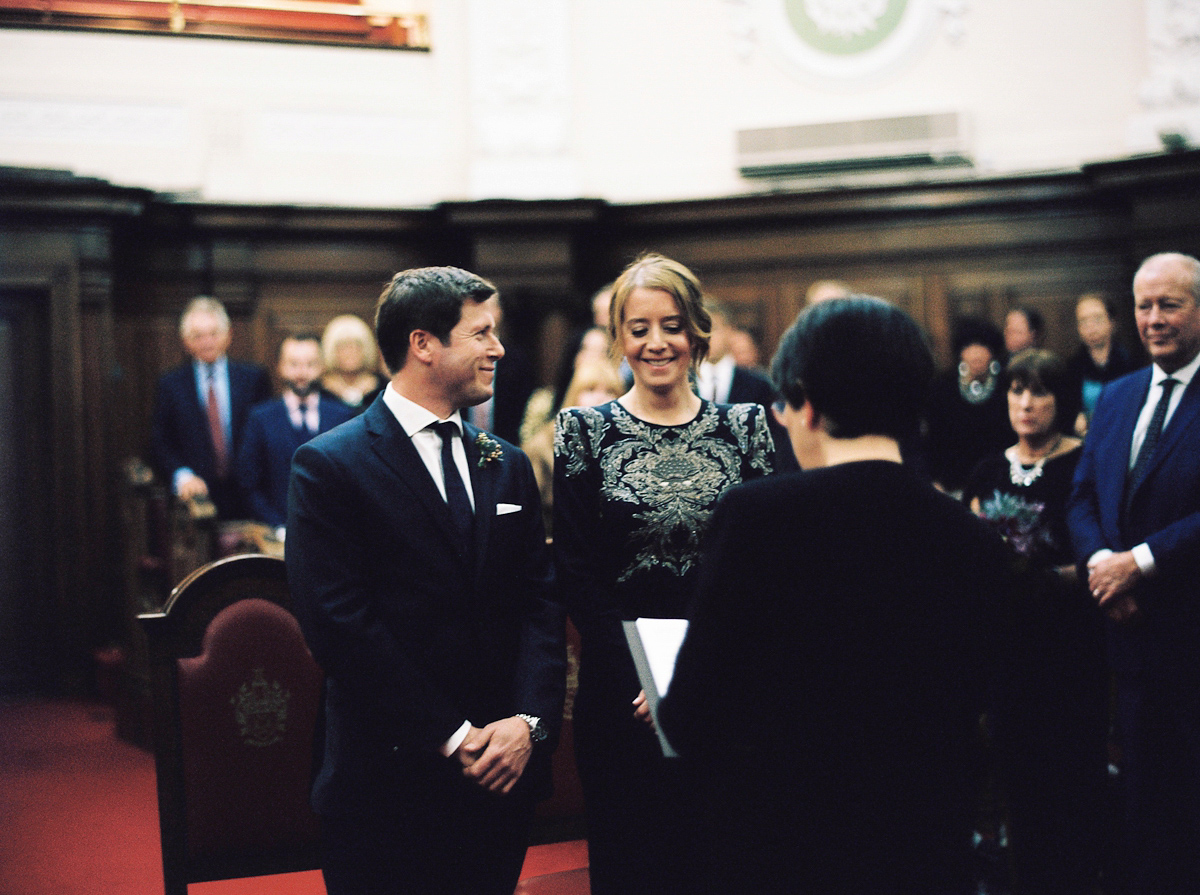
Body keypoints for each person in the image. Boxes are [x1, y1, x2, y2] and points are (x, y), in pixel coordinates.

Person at [657, 296, 1013, 895]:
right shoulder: (973, 538)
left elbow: (691, 715)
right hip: (923, 859)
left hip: (782, 857)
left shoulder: (756, 518)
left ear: (807, 403)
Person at [287, 266, 566, 895]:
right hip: (387, 784)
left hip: (502, 775)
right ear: (423, 344)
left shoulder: (508, 465)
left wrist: (528, 722)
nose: (497, 348)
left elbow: (540, 604)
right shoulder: (330, 465)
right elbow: (338, 624)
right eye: (481, 333)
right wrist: (453, 735)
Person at [553, 252, 778, 895]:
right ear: (619, 338)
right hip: (622, 696)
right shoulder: (582, 433)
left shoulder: (746, 429)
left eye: (672, 325)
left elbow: (762, 569)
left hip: (729, 691)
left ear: (698, 334)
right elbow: (576, 571)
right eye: (639, 327)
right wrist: (649, 683)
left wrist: (704, 675)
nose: (657, 342)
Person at [1067, 251, 1200, 895]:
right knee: (1146, 806)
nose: (1154, 319)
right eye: (1144, 305)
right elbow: (1083, 495)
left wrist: (1138, 566)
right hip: (1128, 639)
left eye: (1169, 304)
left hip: (1190, 629)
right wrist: (1101, 567)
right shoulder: (1119, 395)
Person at [963, 349, 1108, 895]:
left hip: (1071, 646)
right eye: (1017, 390)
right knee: (1017, 778)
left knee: (1072, 777)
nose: (1026, 403)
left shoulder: (1083, 464)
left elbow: (1102, 555)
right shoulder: (989, 468)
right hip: (1007, 651)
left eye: (1040, 392)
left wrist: (1038, 576)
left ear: (1061, 400)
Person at [150, 296, 272, 519]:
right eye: (198, 335)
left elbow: (267, 436)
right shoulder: (170, 384)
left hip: (249, 498)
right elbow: (161, 441)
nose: (207, 341)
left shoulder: (254, 379)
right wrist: (183, 475)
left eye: (214, 333)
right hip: (195, 500)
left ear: (228, 335)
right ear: (185, 341)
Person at [237, 333, 353, 532]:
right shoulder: (260, 418)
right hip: (276, 533)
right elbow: (248, 484)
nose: (301, 373)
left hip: (333, 533)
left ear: (322, 366)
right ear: (280, 366)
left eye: (310, 364)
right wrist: (277, 525)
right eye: (293, 364)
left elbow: (350, 481)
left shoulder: (343, 416)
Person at [522, 358, 623, 537]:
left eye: (609, 391)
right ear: (573, 394)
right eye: (590, 389)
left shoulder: (626, 445)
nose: (600, 398)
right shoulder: (541, 445)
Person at [924, 316, 1013, 494]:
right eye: (969, 347)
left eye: (983, 347)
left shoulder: (1007, 386)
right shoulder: (942, 387)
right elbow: (932, 441)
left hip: (999, 484)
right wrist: (934, 480)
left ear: (993, 352)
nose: (976, 354)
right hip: (952, 485)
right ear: (960, 352)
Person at [1068, 292, 1139, 434]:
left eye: (1097, 319)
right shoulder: (1072, 367)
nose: (1090, 327)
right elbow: (1067, 412)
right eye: (1083, 321)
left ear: (1112, 322)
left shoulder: (1130, 364)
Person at [320, 314, 386, 413]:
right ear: (331, 350)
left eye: (357, 345)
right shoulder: (321, 391)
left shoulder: (382, 388)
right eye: (343, 346)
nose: (350, 352)